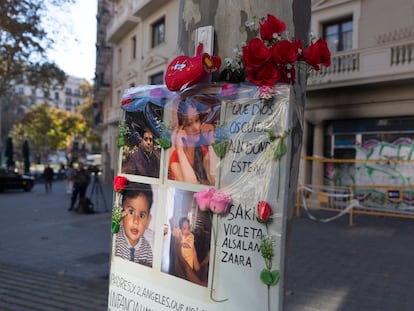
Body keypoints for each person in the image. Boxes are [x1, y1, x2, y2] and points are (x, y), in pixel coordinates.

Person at [168, 100, 215, 185]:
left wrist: (211, 142)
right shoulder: (176, 158)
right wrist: (180, 150)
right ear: (181, 129)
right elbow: (191, 184)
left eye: (197, 120)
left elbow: (213, 180)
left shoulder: (202, 150)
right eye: (189, 124)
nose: (196, 128)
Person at [114, 182, 153, 267]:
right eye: (131, 212)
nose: (136, 221)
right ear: (121, 212)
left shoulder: (147, 250)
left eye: (141, 215)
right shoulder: (116, 239)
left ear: (148, 221)